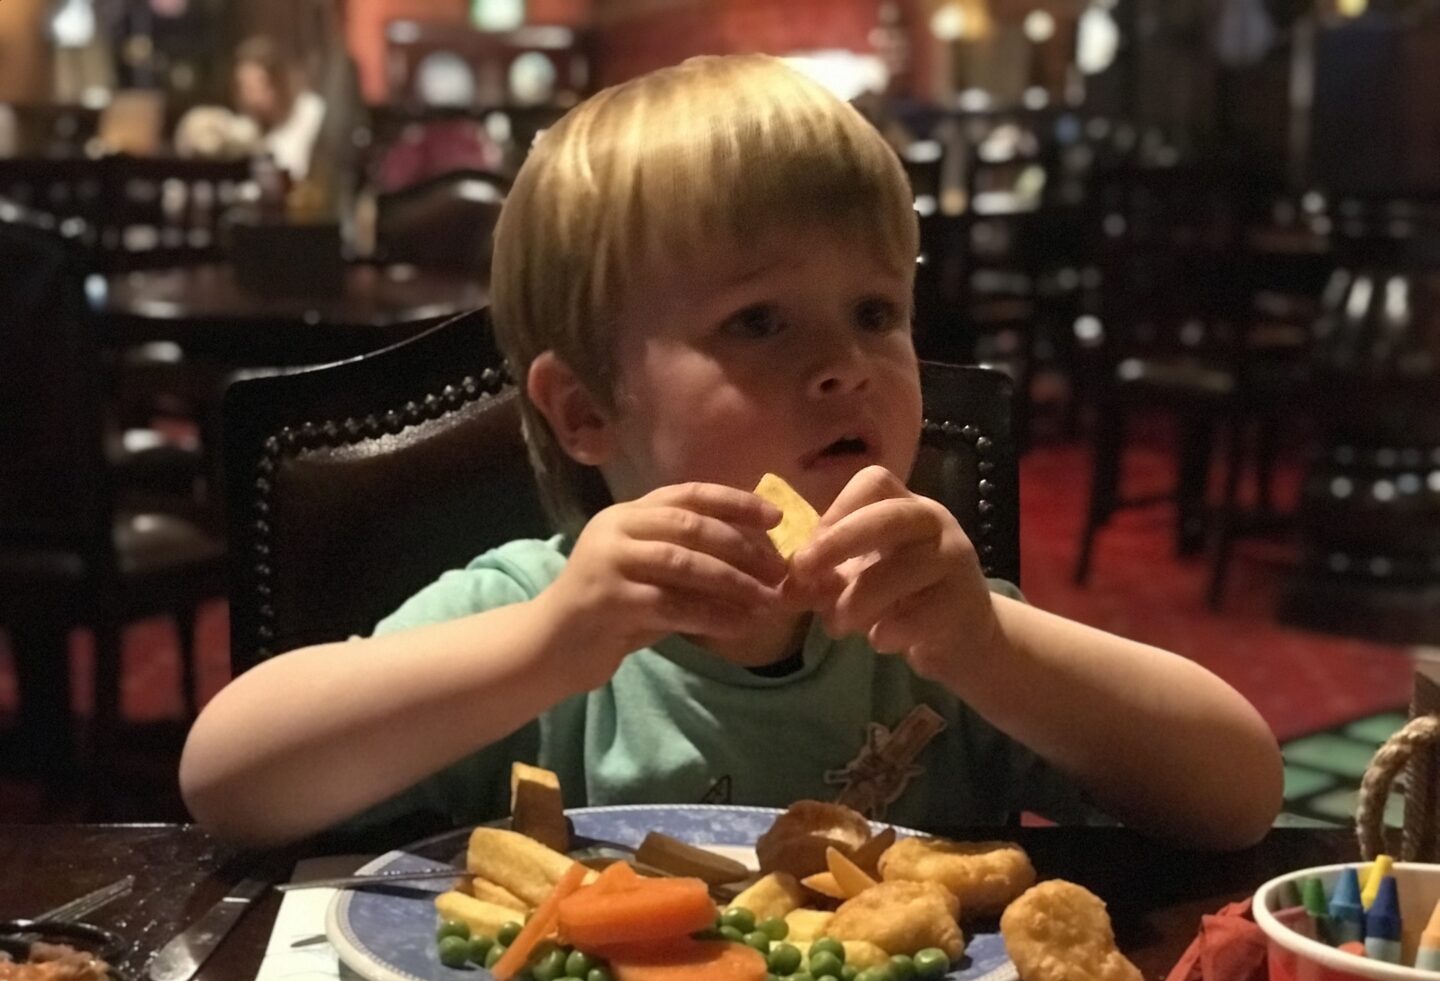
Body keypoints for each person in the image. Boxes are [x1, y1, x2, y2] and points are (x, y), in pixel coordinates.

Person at [179, 55, 1283, 850]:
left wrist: (993, 648)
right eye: (759, 322)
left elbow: (1239, 794)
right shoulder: (542, 614)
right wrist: (545, 648)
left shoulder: (934, 629)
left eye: (875, 311)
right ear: (585, 412)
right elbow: (228, 780)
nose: (846, 365)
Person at [231, 35, 326, 182]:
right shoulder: (249, 128)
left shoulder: (311, 112)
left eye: (253, 87)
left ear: (277, 83)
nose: (248, 97)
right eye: (243, 87)